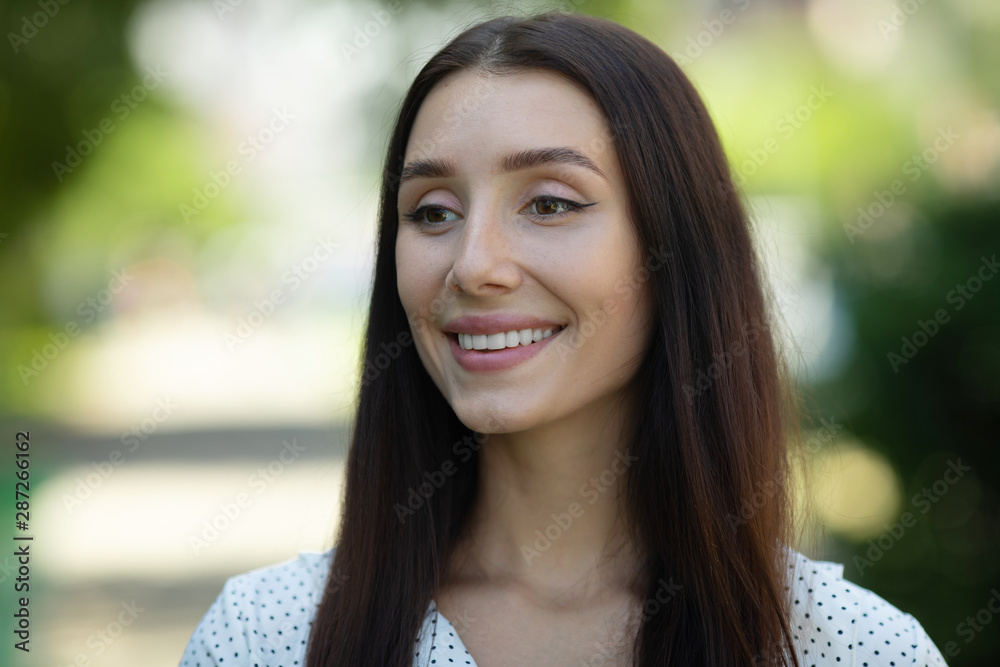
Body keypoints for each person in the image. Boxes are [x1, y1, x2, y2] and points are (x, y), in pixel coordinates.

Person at [180, 11, 948, 667]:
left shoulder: (848, 647)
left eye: (548, 204)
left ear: (674, 251)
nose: (474, 263)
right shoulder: (268, 636)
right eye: (432, 211)